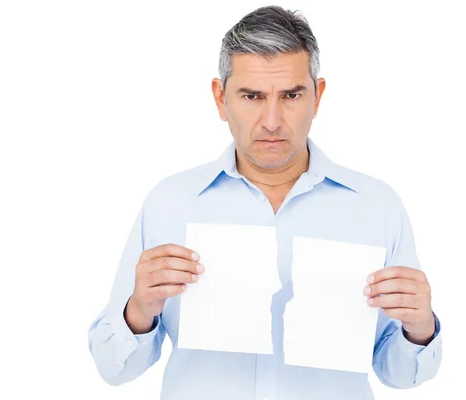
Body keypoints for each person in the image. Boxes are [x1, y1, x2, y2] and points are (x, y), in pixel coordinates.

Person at [88, 5, 442, 399]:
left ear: (317, 96)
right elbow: (113, 369)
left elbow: (401, 374)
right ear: (221, 99)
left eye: (291, 95)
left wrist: (419, 328)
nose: (272, 120)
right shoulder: (170, 204)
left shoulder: (377, 207)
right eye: (252, 96)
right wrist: (138, 311)